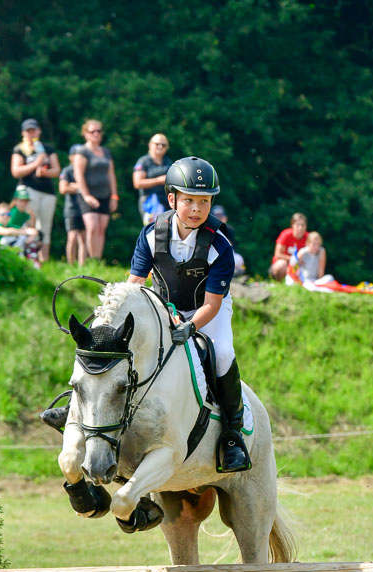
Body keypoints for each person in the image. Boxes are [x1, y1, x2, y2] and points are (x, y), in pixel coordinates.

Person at [128, 156, 251, 473]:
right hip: (164, 306)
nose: (197, 209)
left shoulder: (220, 245)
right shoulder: (151, 235)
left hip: (208, 310)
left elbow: (210, 305)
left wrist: (189, 327)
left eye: (204, 202)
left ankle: (232, 435)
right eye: (189, 201)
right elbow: (134, 286)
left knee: (222, 352)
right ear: (172, 199)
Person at [10, 118, 60, 263]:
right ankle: (28, 258)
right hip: (28, 190)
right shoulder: (19, 149)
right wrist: (35, 164)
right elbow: (16, 171)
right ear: (23, 133)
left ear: (39, 131)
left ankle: (43, 260)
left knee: (45, 227)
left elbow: (56, 170)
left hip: (47, 191)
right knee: (29, 224)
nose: (32, 134)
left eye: (34, 130)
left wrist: (45, 172)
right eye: (28, 131)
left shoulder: (47, 148)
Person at [72, 119, 118, 261]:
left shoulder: (105, 152)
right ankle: (92, 260)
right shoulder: (82, 151)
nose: (96, 134)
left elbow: (111, 174)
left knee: (101, 228)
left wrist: (114, 196)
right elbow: (78, 174)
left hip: (105, 194)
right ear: (85, 134)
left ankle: (97, 260)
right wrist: (86, 195)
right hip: (88, 195)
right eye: (93, 131)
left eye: (99, 131)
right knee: (92, 227)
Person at [132, 133, 172, 224]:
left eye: (163, 145)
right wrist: (158, 180)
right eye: (157, 144)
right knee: (153, 230)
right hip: (149, 202)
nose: (160, 147)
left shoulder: (168, 162)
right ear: (150, 145)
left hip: (166, 201)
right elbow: (137, 183)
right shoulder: (143, 161)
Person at [59, 146, 86, 267]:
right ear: (70, 157)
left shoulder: (87, 171)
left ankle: (82, 266)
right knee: (72, 237)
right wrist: (81, 187)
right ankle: (70, 265)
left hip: (85, 208)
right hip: (72, 208)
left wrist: (75, 186)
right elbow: (63, 188)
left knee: (84, 238)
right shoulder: (67, 171)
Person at [270, 212, 308, 282]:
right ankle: (279, 284)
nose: (300, 228)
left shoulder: (308, 238)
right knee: (281, 265)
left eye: (303, 225)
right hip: (285, 264)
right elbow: (277, 254)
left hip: (300, 265)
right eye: (297, 225)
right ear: (292, 225)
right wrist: (293, 259)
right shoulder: (286, 235)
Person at [212, 204, 245, 276]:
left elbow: (231, 247)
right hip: (212, 254)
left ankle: (233, 271)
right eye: (216, 216)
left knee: (239, 258)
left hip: (225, 253)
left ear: (225, 218)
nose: (219, 219)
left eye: (220, 216)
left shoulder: (229, 230)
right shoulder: (208, 229)